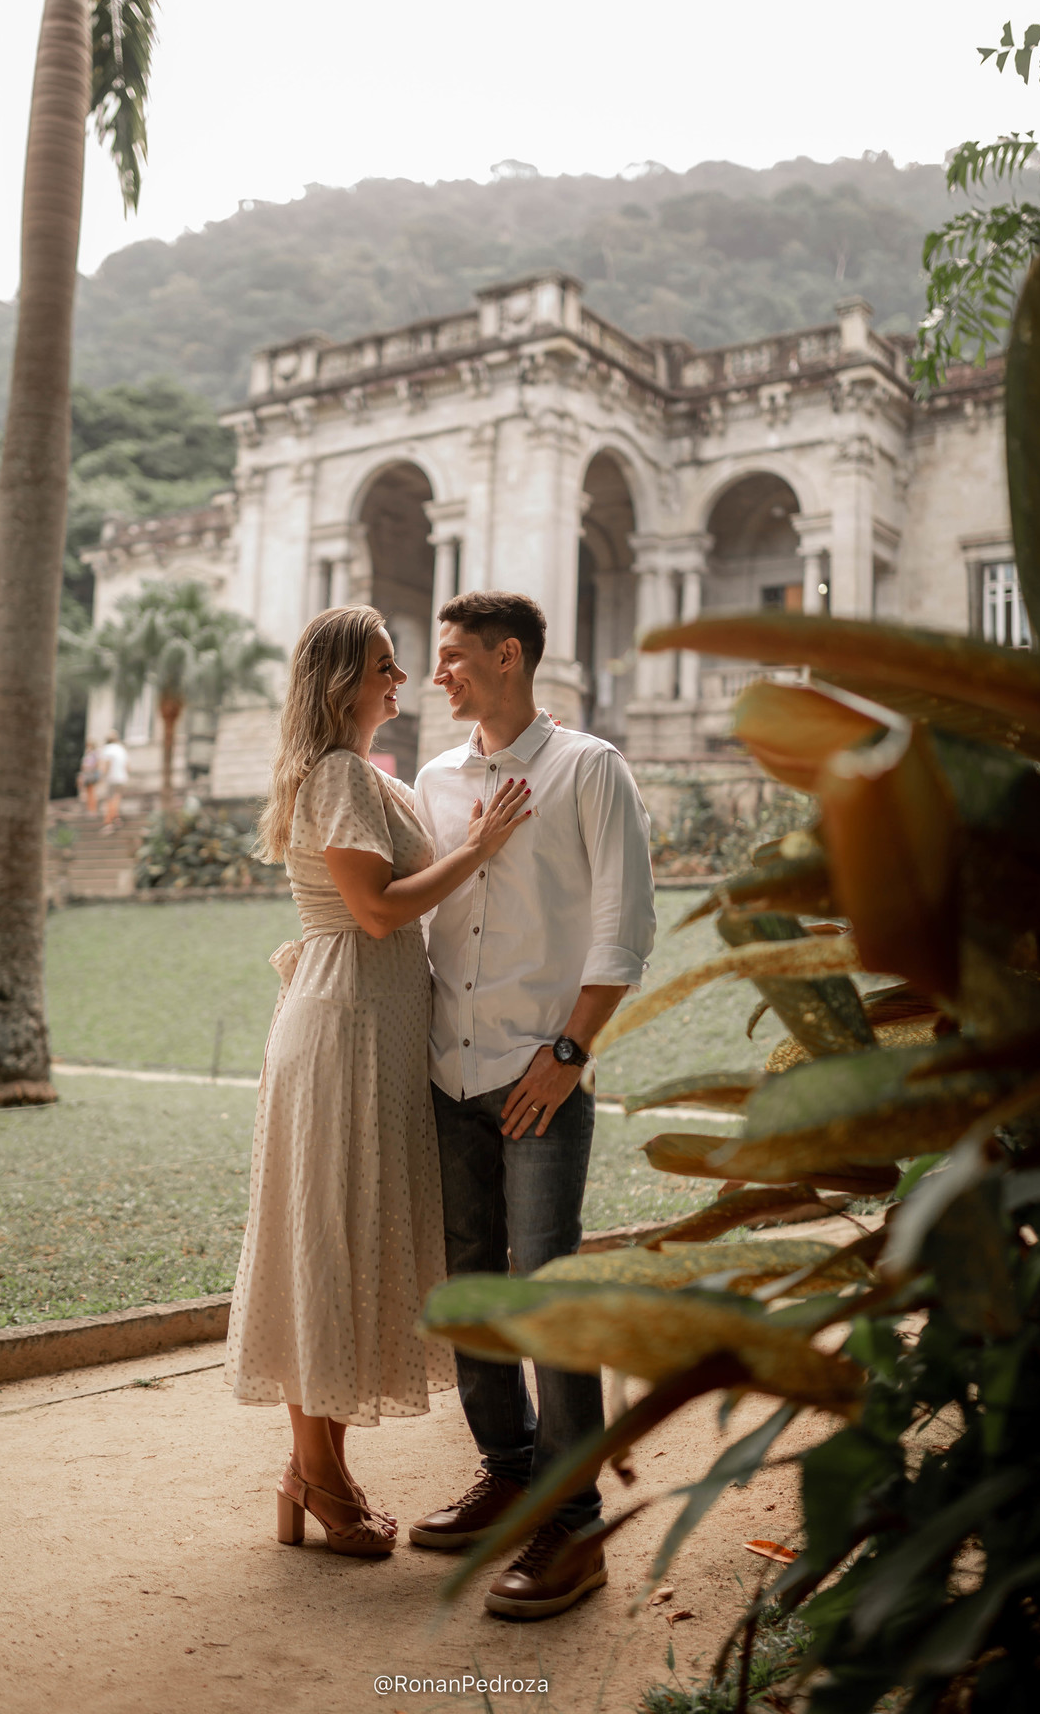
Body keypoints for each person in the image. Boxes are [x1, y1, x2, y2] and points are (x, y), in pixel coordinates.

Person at [226, 604, 532, 1558]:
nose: (401, 680)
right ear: (341, 683)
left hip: (372, 1026)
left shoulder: (368, 777)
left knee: (343, 1241)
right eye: (384, 666)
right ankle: (318, 1476)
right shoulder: (339, 775)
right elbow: (373, 909)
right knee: (327, 1242)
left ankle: (312, 1471)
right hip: (345, 1025)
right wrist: (478, 852)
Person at [411, 591, 656, 1620]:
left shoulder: (590, 769)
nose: (438, 674)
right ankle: (508, 1473)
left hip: (539, 1075)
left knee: (548, 1288)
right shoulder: (433, 780)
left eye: (455, 657)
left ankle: (576, 1523)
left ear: (509, 656)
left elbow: (624, 929)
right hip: (448, 1072)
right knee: (473, 1280)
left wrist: (567, 1053)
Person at [99, 730, 129, 832]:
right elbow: (127, 766)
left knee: (110, 799)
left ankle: (109, 820)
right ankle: (116, 818)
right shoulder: (122, 749)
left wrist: (102, 776)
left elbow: (106, 764)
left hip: (112, 778)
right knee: (117, 797)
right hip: (122, 778)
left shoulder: (107, 749)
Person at [77, 741, 101, 816]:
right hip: (87, 774)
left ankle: (92, 809)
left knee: (91, 792)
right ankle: (89, 808)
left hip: (90, 774)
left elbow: (95, 764)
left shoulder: (93, 754)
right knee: (88, 792)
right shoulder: (89, 754)